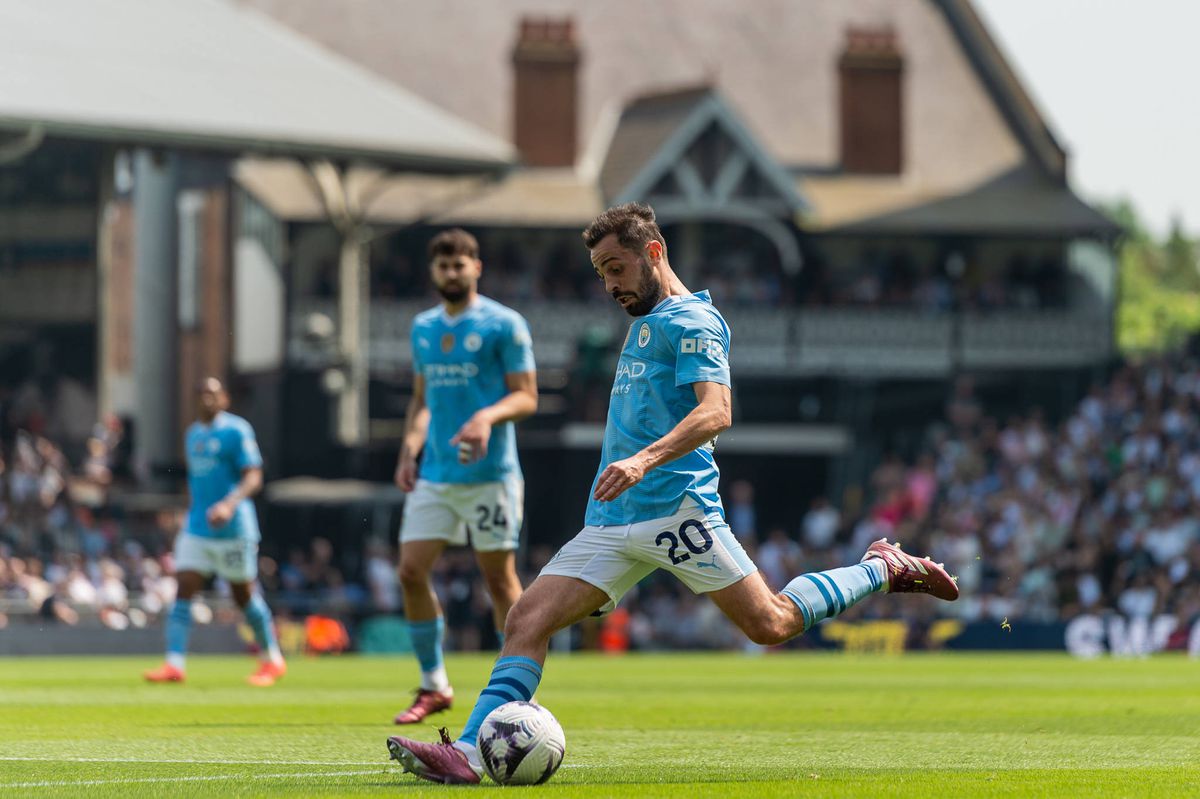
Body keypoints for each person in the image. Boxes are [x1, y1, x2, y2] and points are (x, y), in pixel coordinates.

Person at [385, 203, 959, 784]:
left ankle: (881, 568)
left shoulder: (694, 323)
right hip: (611, 520)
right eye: (600, 272)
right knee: (526, 619)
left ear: (653, 252)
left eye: (616, 267)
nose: (609, 284)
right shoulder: (643, 322)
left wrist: (643, 458)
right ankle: (463, 752)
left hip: (677, 512)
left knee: (772, 623)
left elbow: (717, 411)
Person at [391, 228, 538, 725]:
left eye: (460, 264)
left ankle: (516, 694)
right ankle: (434, 684)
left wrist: (485, 418)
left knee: (499, 580)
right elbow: (422, 400)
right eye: (442, 265)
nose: (451, 272)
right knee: (410, 570)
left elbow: (526, 396)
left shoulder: (505, 324)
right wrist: (409, 450)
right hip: (435, 472)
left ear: (477, 267)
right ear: (433, 272)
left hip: (490, 474)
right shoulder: (423, 328)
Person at [143, 377, 286, 686]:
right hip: (198, 526)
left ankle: (272, 659)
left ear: (224, 399)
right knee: (183, 588)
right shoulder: (192, 434)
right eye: (201, 393)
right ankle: (174, 663)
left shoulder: (237, 430)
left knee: (243, 596)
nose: (207, 398)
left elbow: (254, 477)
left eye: (213, 393)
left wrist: (229, 504)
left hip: (234, 528)